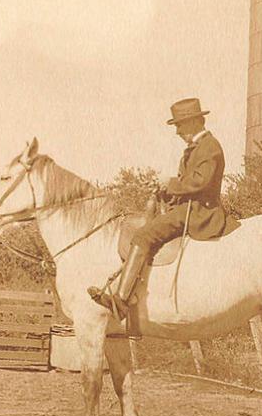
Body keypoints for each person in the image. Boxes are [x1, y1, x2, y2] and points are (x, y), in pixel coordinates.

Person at [89, 97, 234, 319]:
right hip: (186, 208)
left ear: (194, 122)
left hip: (199, 212)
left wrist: (170, 183)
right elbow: (187, 184)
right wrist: (163, 190)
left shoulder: (209, 147)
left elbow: (199, 182)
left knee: (143, 235)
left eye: (179, 125)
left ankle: (122, 300)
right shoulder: (195, 148)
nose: (177, 131)